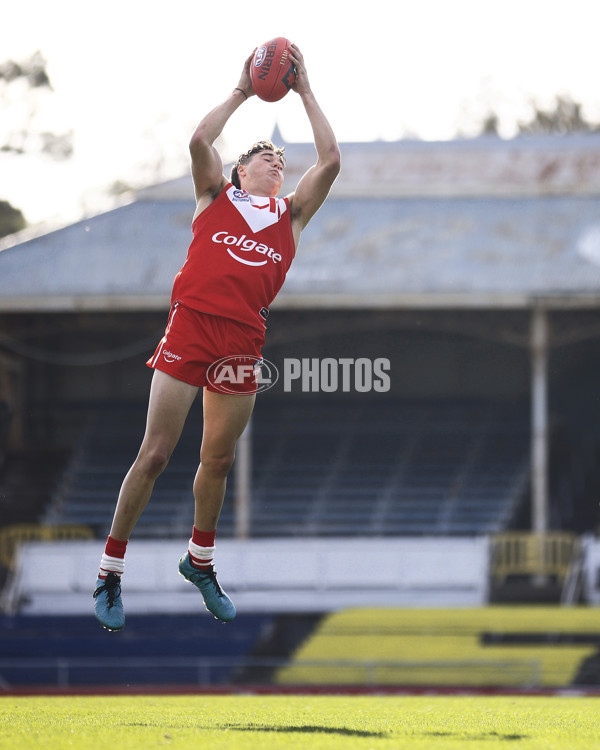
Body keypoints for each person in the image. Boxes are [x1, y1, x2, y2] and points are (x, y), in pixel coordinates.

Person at [93, 45, 341, 630]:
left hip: (242, 341)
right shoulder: (214, 197)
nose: (275, 163)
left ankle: (199, 561)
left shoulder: (291, 217)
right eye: (263, 158)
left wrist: (305, 91)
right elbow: (199, 142)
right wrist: (242, 90)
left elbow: (330, 160)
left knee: (219, 459)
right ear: (238, 173)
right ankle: (110, 571)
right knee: (154, 455)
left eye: (281, 161)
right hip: (192, 325)